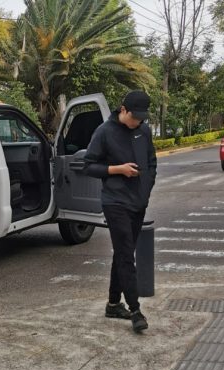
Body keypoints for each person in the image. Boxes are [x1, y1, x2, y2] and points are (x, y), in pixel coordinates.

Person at [83, 90, 157, 333]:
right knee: (126, 255)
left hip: (138, 201)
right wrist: (118, 169)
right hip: (115, 202)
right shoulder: (104, 132)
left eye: (142, 118)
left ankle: (113, 303)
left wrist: (146, 190)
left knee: (123, 252)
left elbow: (152, 162)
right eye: (135, 117)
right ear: (123, 110)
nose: (138, 122)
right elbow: (89, 166)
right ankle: (135, 310)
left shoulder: (144, 130)